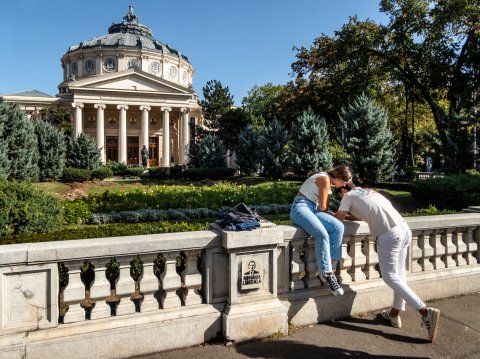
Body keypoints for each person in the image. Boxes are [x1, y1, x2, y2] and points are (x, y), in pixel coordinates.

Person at [334, 183, 441, 342]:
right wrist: (349, 215)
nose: (341, 199)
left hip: (389, 235)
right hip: (404, 229)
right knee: (399, 275)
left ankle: (425, 311)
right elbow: (362, 215)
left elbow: (339, 218)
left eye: (339, 196)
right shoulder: (368, 192)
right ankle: (394, 315)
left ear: (342, 190)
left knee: (390, 276)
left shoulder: (348, 196)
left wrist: (328, 214)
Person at [290, 165, 352, 296]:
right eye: (344, 182)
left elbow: (323, 208)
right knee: (322, 234)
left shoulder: (328, 184)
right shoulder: (324, 179)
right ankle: (327, 273)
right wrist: (334, 212)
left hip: (313, 208)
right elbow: (324, 208)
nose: (344, 186)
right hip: (300, 207)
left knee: (338, 227)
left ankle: (331, 267)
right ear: (339, 178)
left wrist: (333, 215)